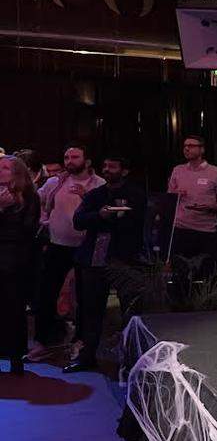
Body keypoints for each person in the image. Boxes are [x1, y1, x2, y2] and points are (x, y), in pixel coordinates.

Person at [65, 156, 146, 373]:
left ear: (125, 171)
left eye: (112, 166)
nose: (107, 170)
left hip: (125, 258)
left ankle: (132, 361)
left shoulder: (137, 195)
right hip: (95, 257)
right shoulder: (96, 194)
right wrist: (99, 215)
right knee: (90, 310)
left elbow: (143, 224)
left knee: (130, 311)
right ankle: (86, 356)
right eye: (105, 166)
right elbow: (78, 220)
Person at [27, 145, 104, 361]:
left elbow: (105, 212)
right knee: (46, 293)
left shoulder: (100, 185)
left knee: (84, 297)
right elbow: (35, 199)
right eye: (67, 157)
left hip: (86, 247)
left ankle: (79, 342)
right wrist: (43, 219)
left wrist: (87, 196)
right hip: (57, 244)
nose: (69, 161)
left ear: (87, 161)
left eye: (75, 157)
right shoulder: (56, 182)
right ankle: (41, 341)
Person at [0, 157, 41, 374]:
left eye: (5, 168)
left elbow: (28, 231)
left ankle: (16, 357)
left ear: (17, 173)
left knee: (14, 310)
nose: (0, 170)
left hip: (16, 262)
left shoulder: (30, 197)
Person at [168, 134, 217, 266]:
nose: (186, 149)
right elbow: (169, 198)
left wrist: (211, 207)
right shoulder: (178, 170)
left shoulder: (216, 172)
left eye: (191, 146)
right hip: (181, 228)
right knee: (180, 269)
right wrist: (176, 195)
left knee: (205, 271)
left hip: (206, 230)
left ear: (202, 150)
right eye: (184, 146)